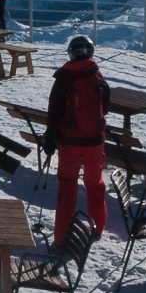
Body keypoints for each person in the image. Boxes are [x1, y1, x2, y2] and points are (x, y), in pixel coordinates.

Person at [43, 35, 111, 246]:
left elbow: (54, 111)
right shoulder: (97, 76)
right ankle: (97, 227)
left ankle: (61, 238)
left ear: (71, 53)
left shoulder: (64, 77)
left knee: (67, 187)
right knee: (94, 184)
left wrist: (50, 137)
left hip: (70, 142)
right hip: (94, 141)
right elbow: (105, 107)